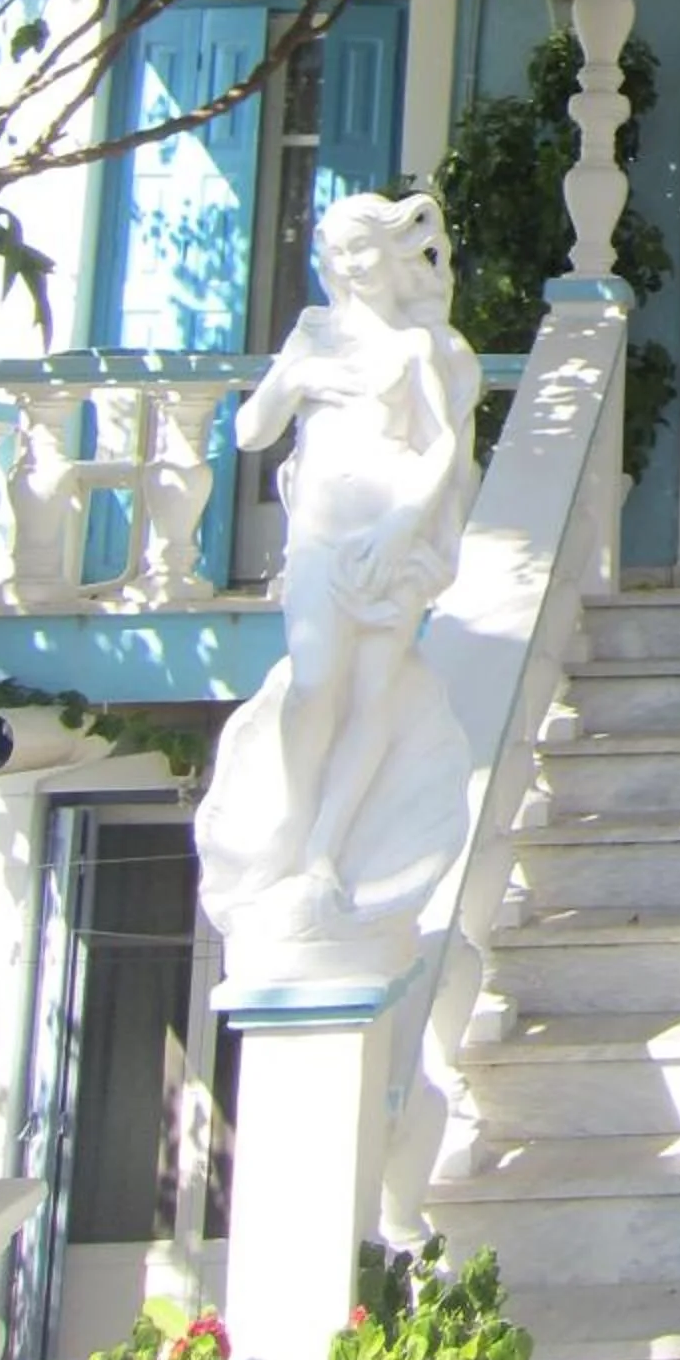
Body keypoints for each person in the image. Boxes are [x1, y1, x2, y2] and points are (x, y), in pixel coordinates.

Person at [228, 190, 479, 913]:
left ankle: (325, 848)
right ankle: (290, 822)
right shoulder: (312, 339)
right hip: (321, 534)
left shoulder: (415, 345)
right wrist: (293, 378)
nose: (348, 264)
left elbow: (442, 447)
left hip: (388, 542)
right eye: (335, 252)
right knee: (314, 684)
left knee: (374, 693)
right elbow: (250, 430)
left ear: (390, 253)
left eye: (360, 249)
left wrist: (403, 524)